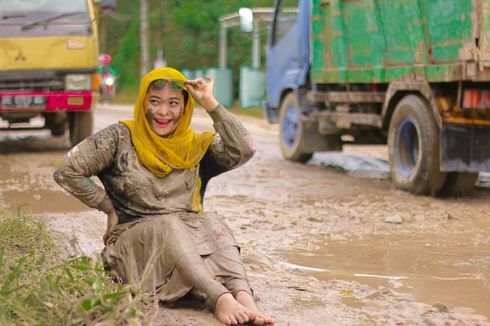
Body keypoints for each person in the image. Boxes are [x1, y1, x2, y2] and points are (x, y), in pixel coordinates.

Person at [53, 67, 274, 326]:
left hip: (186, 238)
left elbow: (245, 149)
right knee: (167, 224)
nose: (163, 112)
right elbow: (67, 171)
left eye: (173, 103)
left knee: (212, 222)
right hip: (133, 245)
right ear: (143, 102)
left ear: (185, 108)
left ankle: (243, 296)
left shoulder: (195, 145)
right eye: (155, 101)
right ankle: (219, 297)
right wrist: (108, 207)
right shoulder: (119, 137)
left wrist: (210, 103)